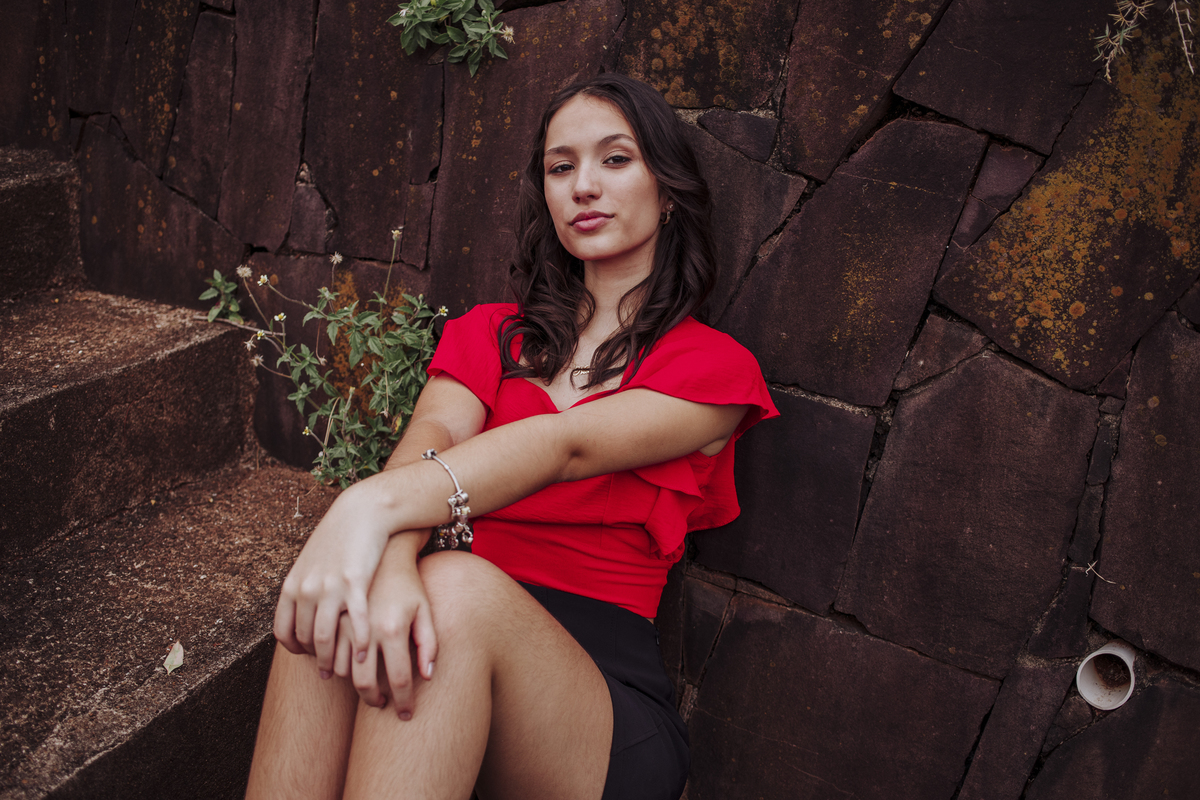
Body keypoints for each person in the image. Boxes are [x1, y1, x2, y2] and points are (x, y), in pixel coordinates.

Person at [244, 72, 777, 800]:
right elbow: (432, 434)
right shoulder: (492, 333)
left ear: (668, 191)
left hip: (594, 709)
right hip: (447, 635)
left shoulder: (714, 368)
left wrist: (362, 507)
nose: (583, 186)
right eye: (561, 167)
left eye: (615, 159)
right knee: (348, 597)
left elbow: (567, 445)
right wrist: (389, 558)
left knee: (451, 587)